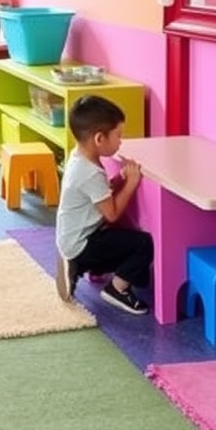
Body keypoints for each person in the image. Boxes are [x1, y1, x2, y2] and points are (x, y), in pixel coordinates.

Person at [55, 94, 154, 315]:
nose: (121, 141)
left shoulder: (79, 157)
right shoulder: (89, 173)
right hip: (83, 242)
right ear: (99, 139)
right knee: (143, 243)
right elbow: (111, 213)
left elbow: (100, 193)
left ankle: (80, 266)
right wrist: (131, 184)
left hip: (72, 237)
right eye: (118, 135)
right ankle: (117, 289)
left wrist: (120, 179)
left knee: (120, 238)